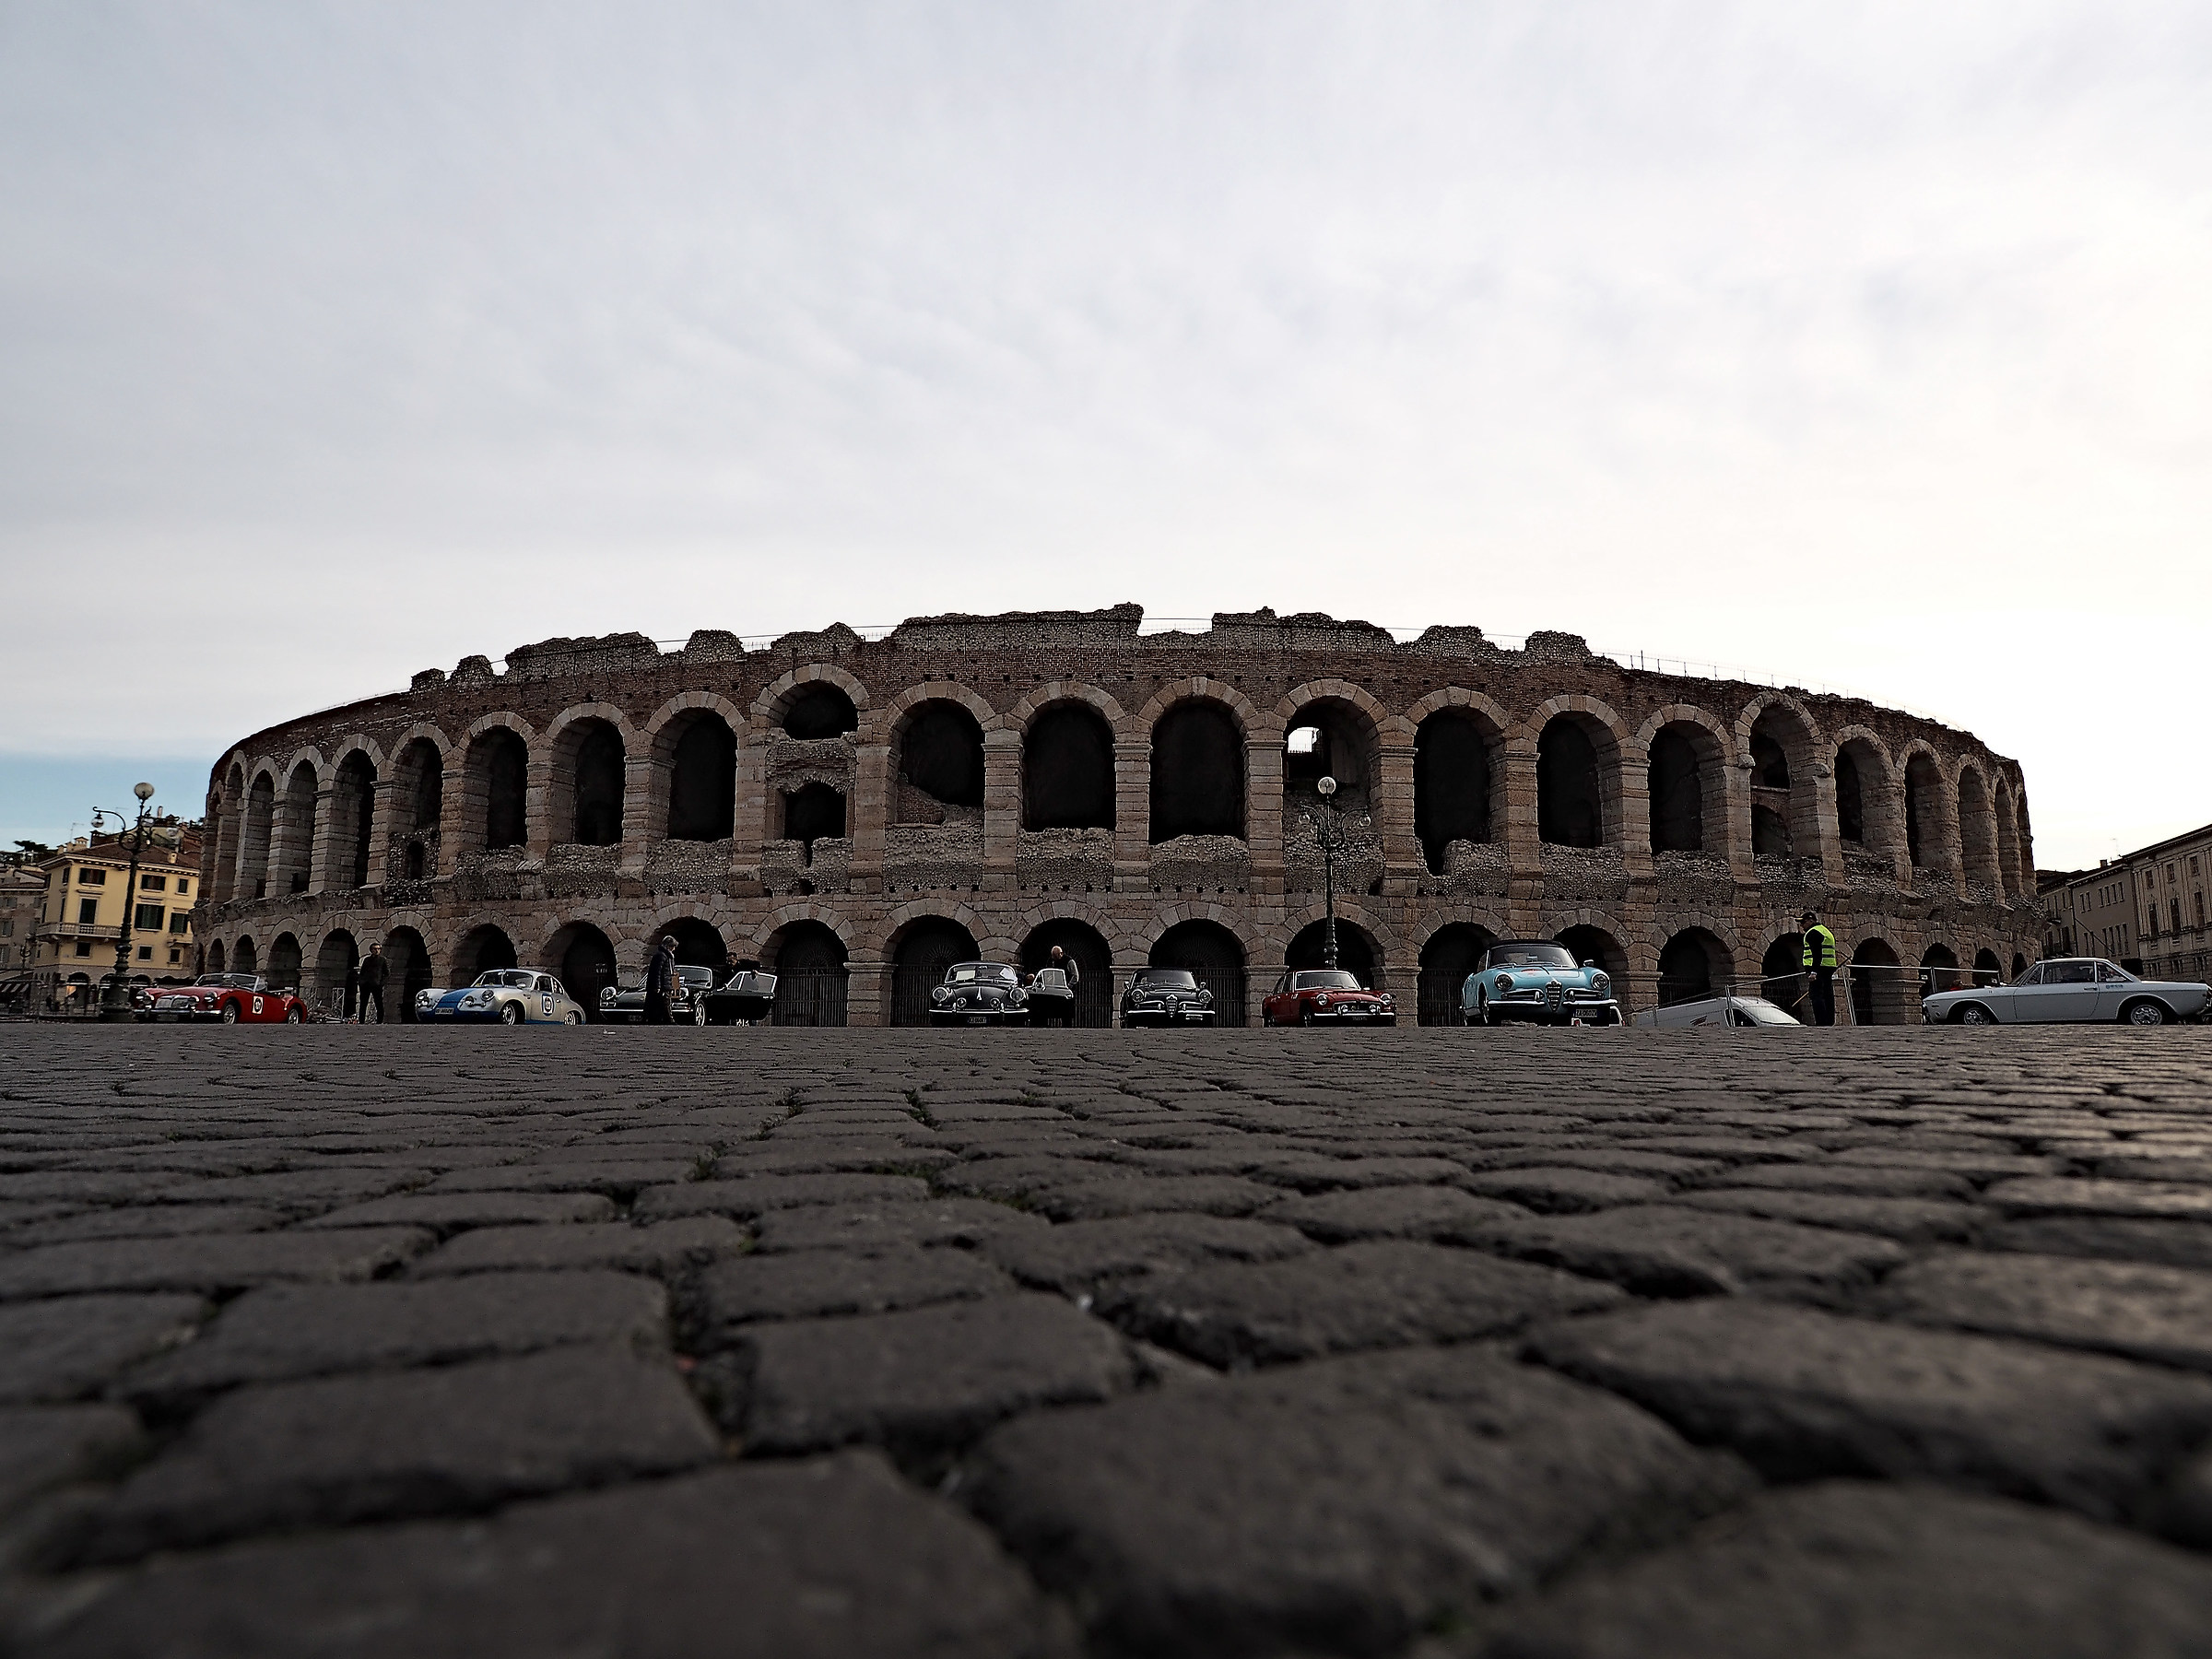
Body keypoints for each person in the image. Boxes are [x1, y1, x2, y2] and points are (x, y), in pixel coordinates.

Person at [1800, 909, 1839, 1026]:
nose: (1802, 926)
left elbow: (1817, 953)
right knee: (1828, 994)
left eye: (1803, 922)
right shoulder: (1826, 931)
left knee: (1816, 995)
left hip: (1818, 969)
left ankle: (1821, 1022)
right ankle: (1829, 1021)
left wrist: (1814, 972)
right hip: (1828, 967)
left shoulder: (1813, 933)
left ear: (1811, 921)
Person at [644, 935, 677, 1026]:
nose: (674, 949)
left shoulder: (667, 956)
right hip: (662, 984)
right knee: (663, 1003)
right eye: (672, 946)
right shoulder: (661, 956)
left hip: (666, 983)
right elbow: (656, 972)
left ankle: (664, 1019)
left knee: (664, 1003)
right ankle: (669, 1020)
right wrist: (657, 986)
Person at [358, 944, 388, 1025]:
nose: (377, 950)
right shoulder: (367, 960)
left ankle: (379, 1021)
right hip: (366, 985)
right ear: (371, 950)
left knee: (379, 1004)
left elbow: (386, 973)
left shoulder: (382, 960)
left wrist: (381, 983)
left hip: (376, 985)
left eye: (379, 949)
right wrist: (361, 982)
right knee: (363, 1004)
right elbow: (362, 972)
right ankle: (361, 1021)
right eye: (375, 949)